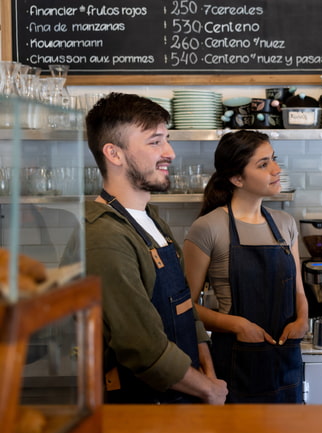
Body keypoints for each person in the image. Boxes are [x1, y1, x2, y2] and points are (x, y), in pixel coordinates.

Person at [83, 92, 228, 404]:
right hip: (144, 409)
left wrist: (208, 370)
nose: (170, 153)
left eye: (168, 139)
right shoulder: (104, 234)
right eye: (155, 141)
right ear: (114, 153)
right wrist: (208, 389)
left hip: (184, 395)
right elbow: (140, 345)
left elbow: (185, 306)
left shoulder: (151, 220)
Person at [183, 130, 309, 403]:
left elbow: (298, 290)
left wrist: (302, 320)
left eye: (274, 159)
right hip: (236, 364)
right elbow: (185, 306)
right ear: (236, 178)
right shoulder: (208, 227)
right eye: (263, 164)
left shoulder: (285, 224)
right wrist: (237, 325)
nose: (277, 169)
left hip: (285, 361)